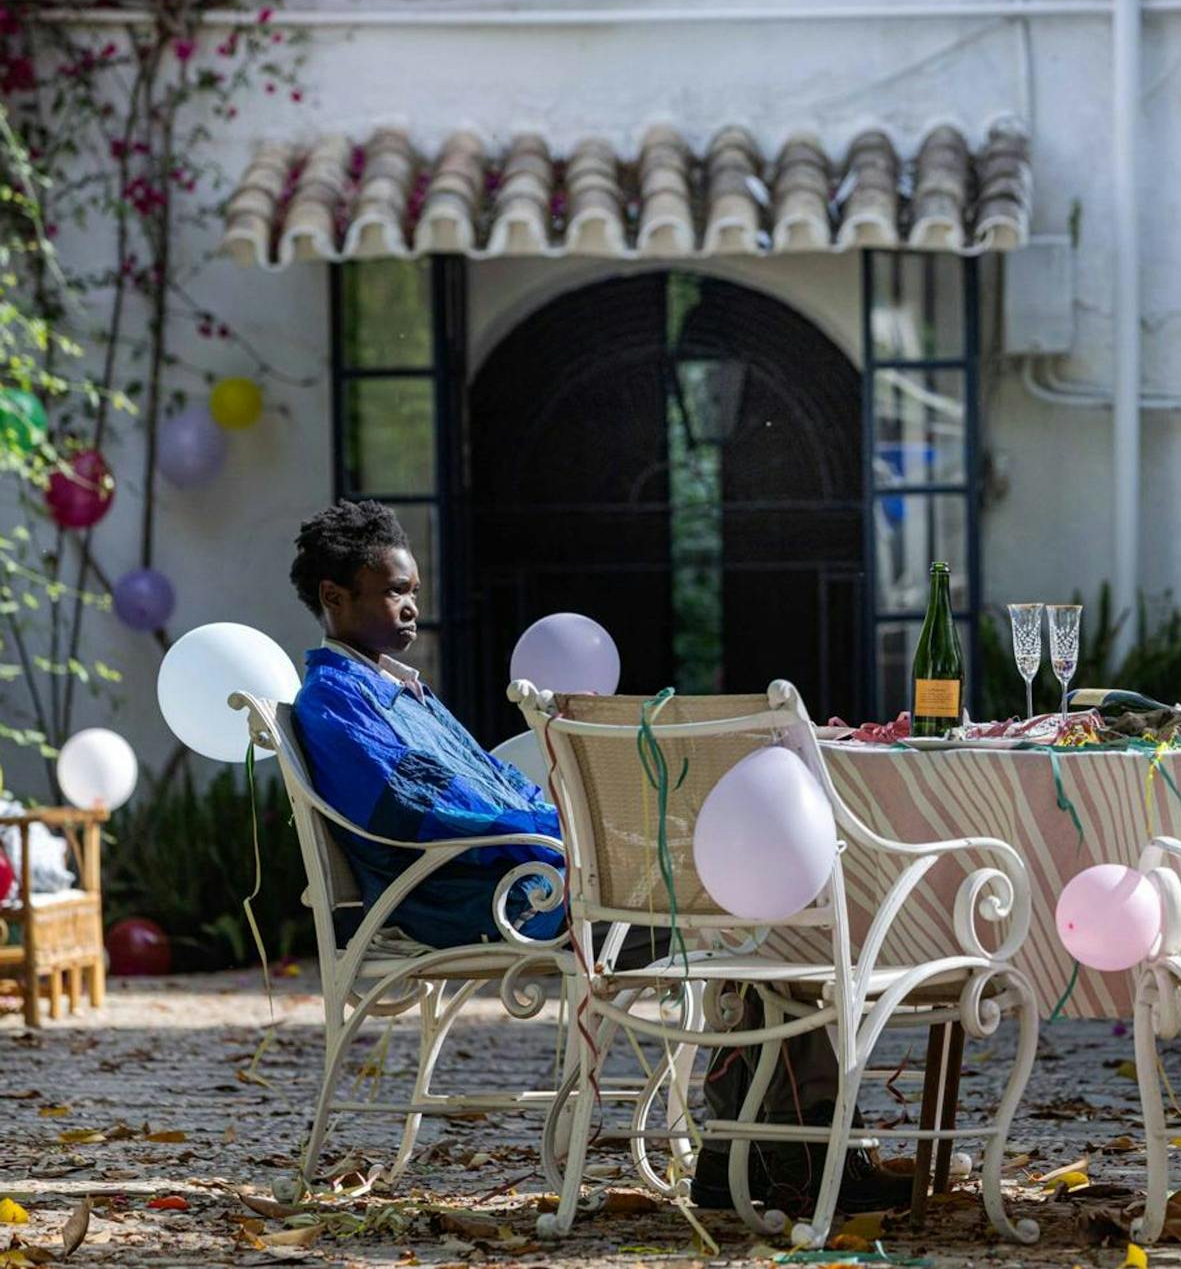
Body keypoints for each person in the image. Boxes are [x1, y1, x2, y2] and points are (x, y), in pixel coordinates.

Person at [285, 499, 908, 1212]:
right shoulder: (336, 701)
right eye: (394, 591)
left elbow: (496, 786)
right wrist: (562, 830)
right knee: (753, 913)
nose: (410, 608)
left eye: (414, 592)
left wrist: (572, 824)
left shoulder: (398, 689)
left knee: (760, 911)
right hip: (471, 898)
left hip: (519, 877)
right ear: (335, 597)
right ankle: (778, 1159)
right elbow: (418, 812)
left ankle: (752, 1156)